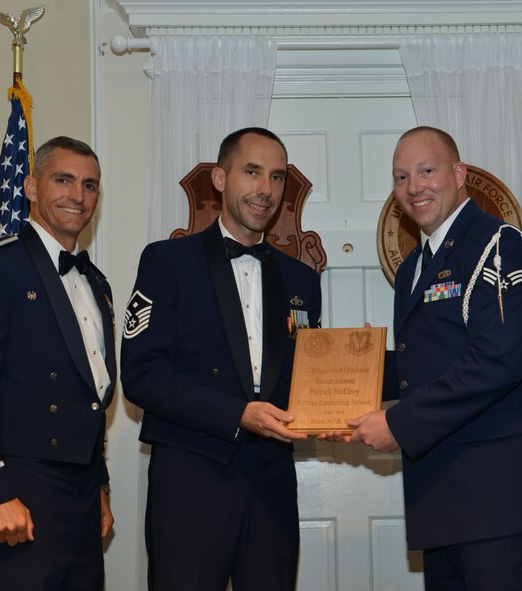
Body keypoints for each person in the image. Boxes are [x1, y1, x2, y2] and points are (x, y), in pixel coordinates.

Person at [325, 126, 522, 590]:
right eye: (401, 177)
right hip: (442, 502)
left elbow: (498, 361)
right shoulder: (413, 268)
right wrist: (361, 364)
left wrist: (398, 424)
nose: (413, 186)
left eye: (426, 170)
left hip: (502, 502)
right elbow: (426, 367)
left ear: (458, 174)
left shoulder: (500, 245)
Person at [121, 127, 322, 591]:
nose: (265, 190)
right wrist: (238, 414)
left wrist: (363, 375)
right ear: (219, 177)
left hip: (272, 484)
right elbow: (142, 374)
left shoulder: (301, 280)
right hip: (191, 479)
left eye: (276, 177)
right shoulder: (166, 261)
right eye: (251, 172)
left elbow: (305, 377)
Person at [0, 136, 116, 590]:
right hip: (21, 492)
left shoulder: (97, 283)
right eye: (63, 180)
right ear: (31, 187)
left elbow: (88, 399)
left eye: (90, 185)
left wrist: (100, 488)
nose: (78, 196)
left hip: (82, 495)